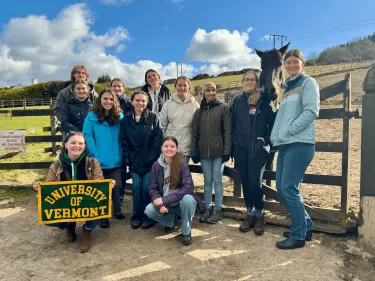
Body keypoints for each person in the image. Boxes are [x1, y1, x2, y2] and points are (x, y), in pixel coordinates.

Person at [32, 132, 113, 253]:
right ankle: (69, 225)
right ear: (66, 145)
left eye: (80, 143)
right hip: (65, 204)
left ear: (85, 146)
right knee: (48, 212)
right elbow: (50, 187)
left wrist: (108, 185)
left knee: (103, 203)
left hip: (87, 202)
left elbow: (99, 183)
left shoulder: (92, 163)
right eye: (73, 142)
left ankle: (87, 230)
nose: (77, 146)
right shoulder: (55, 166)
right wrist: (39, 188)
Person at [271, 49, 319, 249]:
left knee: (289, 188)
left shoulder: (308, 83)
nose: (290, 65)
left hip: (300, 144)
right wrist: (277, 136)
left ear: (302, 63)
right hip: (285, 144)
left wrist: (290, 130)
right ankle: (305, 225)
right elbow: (282, 115)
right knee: (282, 188)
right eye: (287, 63)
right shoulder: (288, 87)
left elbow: (311, 111)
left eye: (294, 62)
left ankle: (298, 236)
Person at [230, 70, 276, 236]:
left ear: (257, 82)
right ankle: (249, 214)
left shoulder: (264, 101)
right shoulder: (237, 101)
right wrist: (233, 145)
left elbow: (274, 123)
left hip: (257, 150)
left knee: (255, 182)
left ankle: (259, 215)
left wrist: (267, 140)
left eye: (252, 79)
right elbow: (232, 123)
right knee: (245, 182)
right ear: (242, 82)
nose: (249, 82)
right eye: (246, 79)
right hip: (241, 148)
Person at [145, 136, 204, 246]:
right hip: (167, 205)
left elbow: (188, 187)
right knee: (148, 209)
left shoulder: (181, 163)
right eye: (166, 146)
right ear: (162, 148)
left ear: (176, 148)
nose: (169, 149)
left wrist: (163, 200)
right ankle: (170, 221)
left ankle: (186, 231)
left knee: (188, 199)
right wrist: (159, 205)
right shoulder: (156, 166)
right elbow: (153, 189)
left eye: (172, 146)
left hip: (180, 202)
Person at [120, 91, 163, 229]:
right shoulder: (126, 120)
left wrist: (150, 158)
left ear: (147, 102)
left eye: (143, 101)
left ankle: (147, 216)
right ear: (132, 102)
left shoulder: (153, 118)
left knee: (146, 188)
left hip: (150, 162)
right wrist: (131, 157)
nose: (140, 103)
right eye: (137, 100)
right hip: (134, 162)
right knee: (136, 188)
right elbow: (124, 141)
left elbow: (157, 141)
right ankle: (136, 216)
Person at [83, 88, 125, 228]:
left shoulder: (120, 116)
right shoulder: (91, 116)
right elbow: (87, 135)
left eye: (111, 99)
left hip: (116, 159)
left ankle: (117, 209)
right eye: (105, 98)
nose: (108, 101)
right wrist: (95, 155)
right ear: (100, 100)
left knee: (117, 186)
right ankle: (103, 216)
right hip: (99, 159)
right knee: (102, 189)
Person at [191, 81, 231, 224]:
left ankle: (218, 209)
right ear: (204, 93)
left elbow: (227, 131)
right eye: (208, 91)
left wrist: (227, 150)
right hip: (204, 153)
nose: (211, 93)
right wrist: (194, 150)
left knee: (217, 180)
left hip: (218, 152)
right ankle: (208, 207)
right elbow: (194, 132)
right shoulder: (199, 112)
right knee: (207, 181)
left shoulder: (223, 109)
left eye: (213, 90)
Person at [159, 76, 199, 163]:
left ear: (189, 87)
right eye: (179, 85)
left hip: (186, 146)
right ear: (175, 87)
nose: (182, 88)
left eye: (185, 85)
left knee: (182, 173)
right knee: (169, 174)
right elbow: (162, 125)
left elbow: (197, 127)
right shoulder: (168, 104)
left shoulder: (195, 105)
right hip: (170, 146)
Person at [110, 78, 131, 201]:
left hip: (123, 140)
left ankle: (120, 195)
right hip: (110, 140)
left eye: (119, 86)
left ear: (123, 88)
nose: (117, 88)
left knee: (122, 168)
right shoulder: (107, 100)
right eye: (114, 86)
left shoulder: (128, 102)